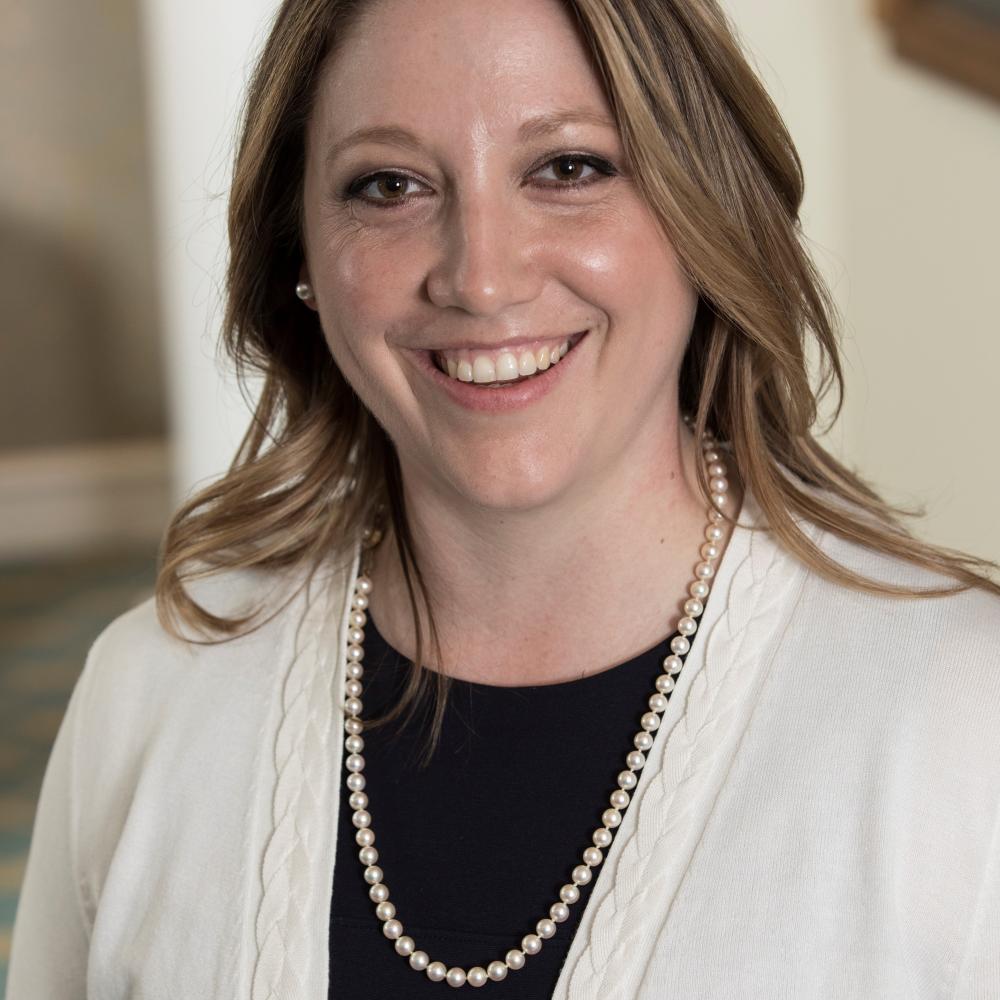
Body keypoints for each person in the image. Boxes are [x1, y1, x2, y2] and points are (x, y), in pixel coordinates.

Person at [8, 0, 1000, 996]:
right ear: (298, 253)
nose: (481, 279)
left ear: (706, 209)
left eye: (568, 169)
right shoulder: (149, 694)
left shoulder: (962, 727)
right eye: (388, 185)